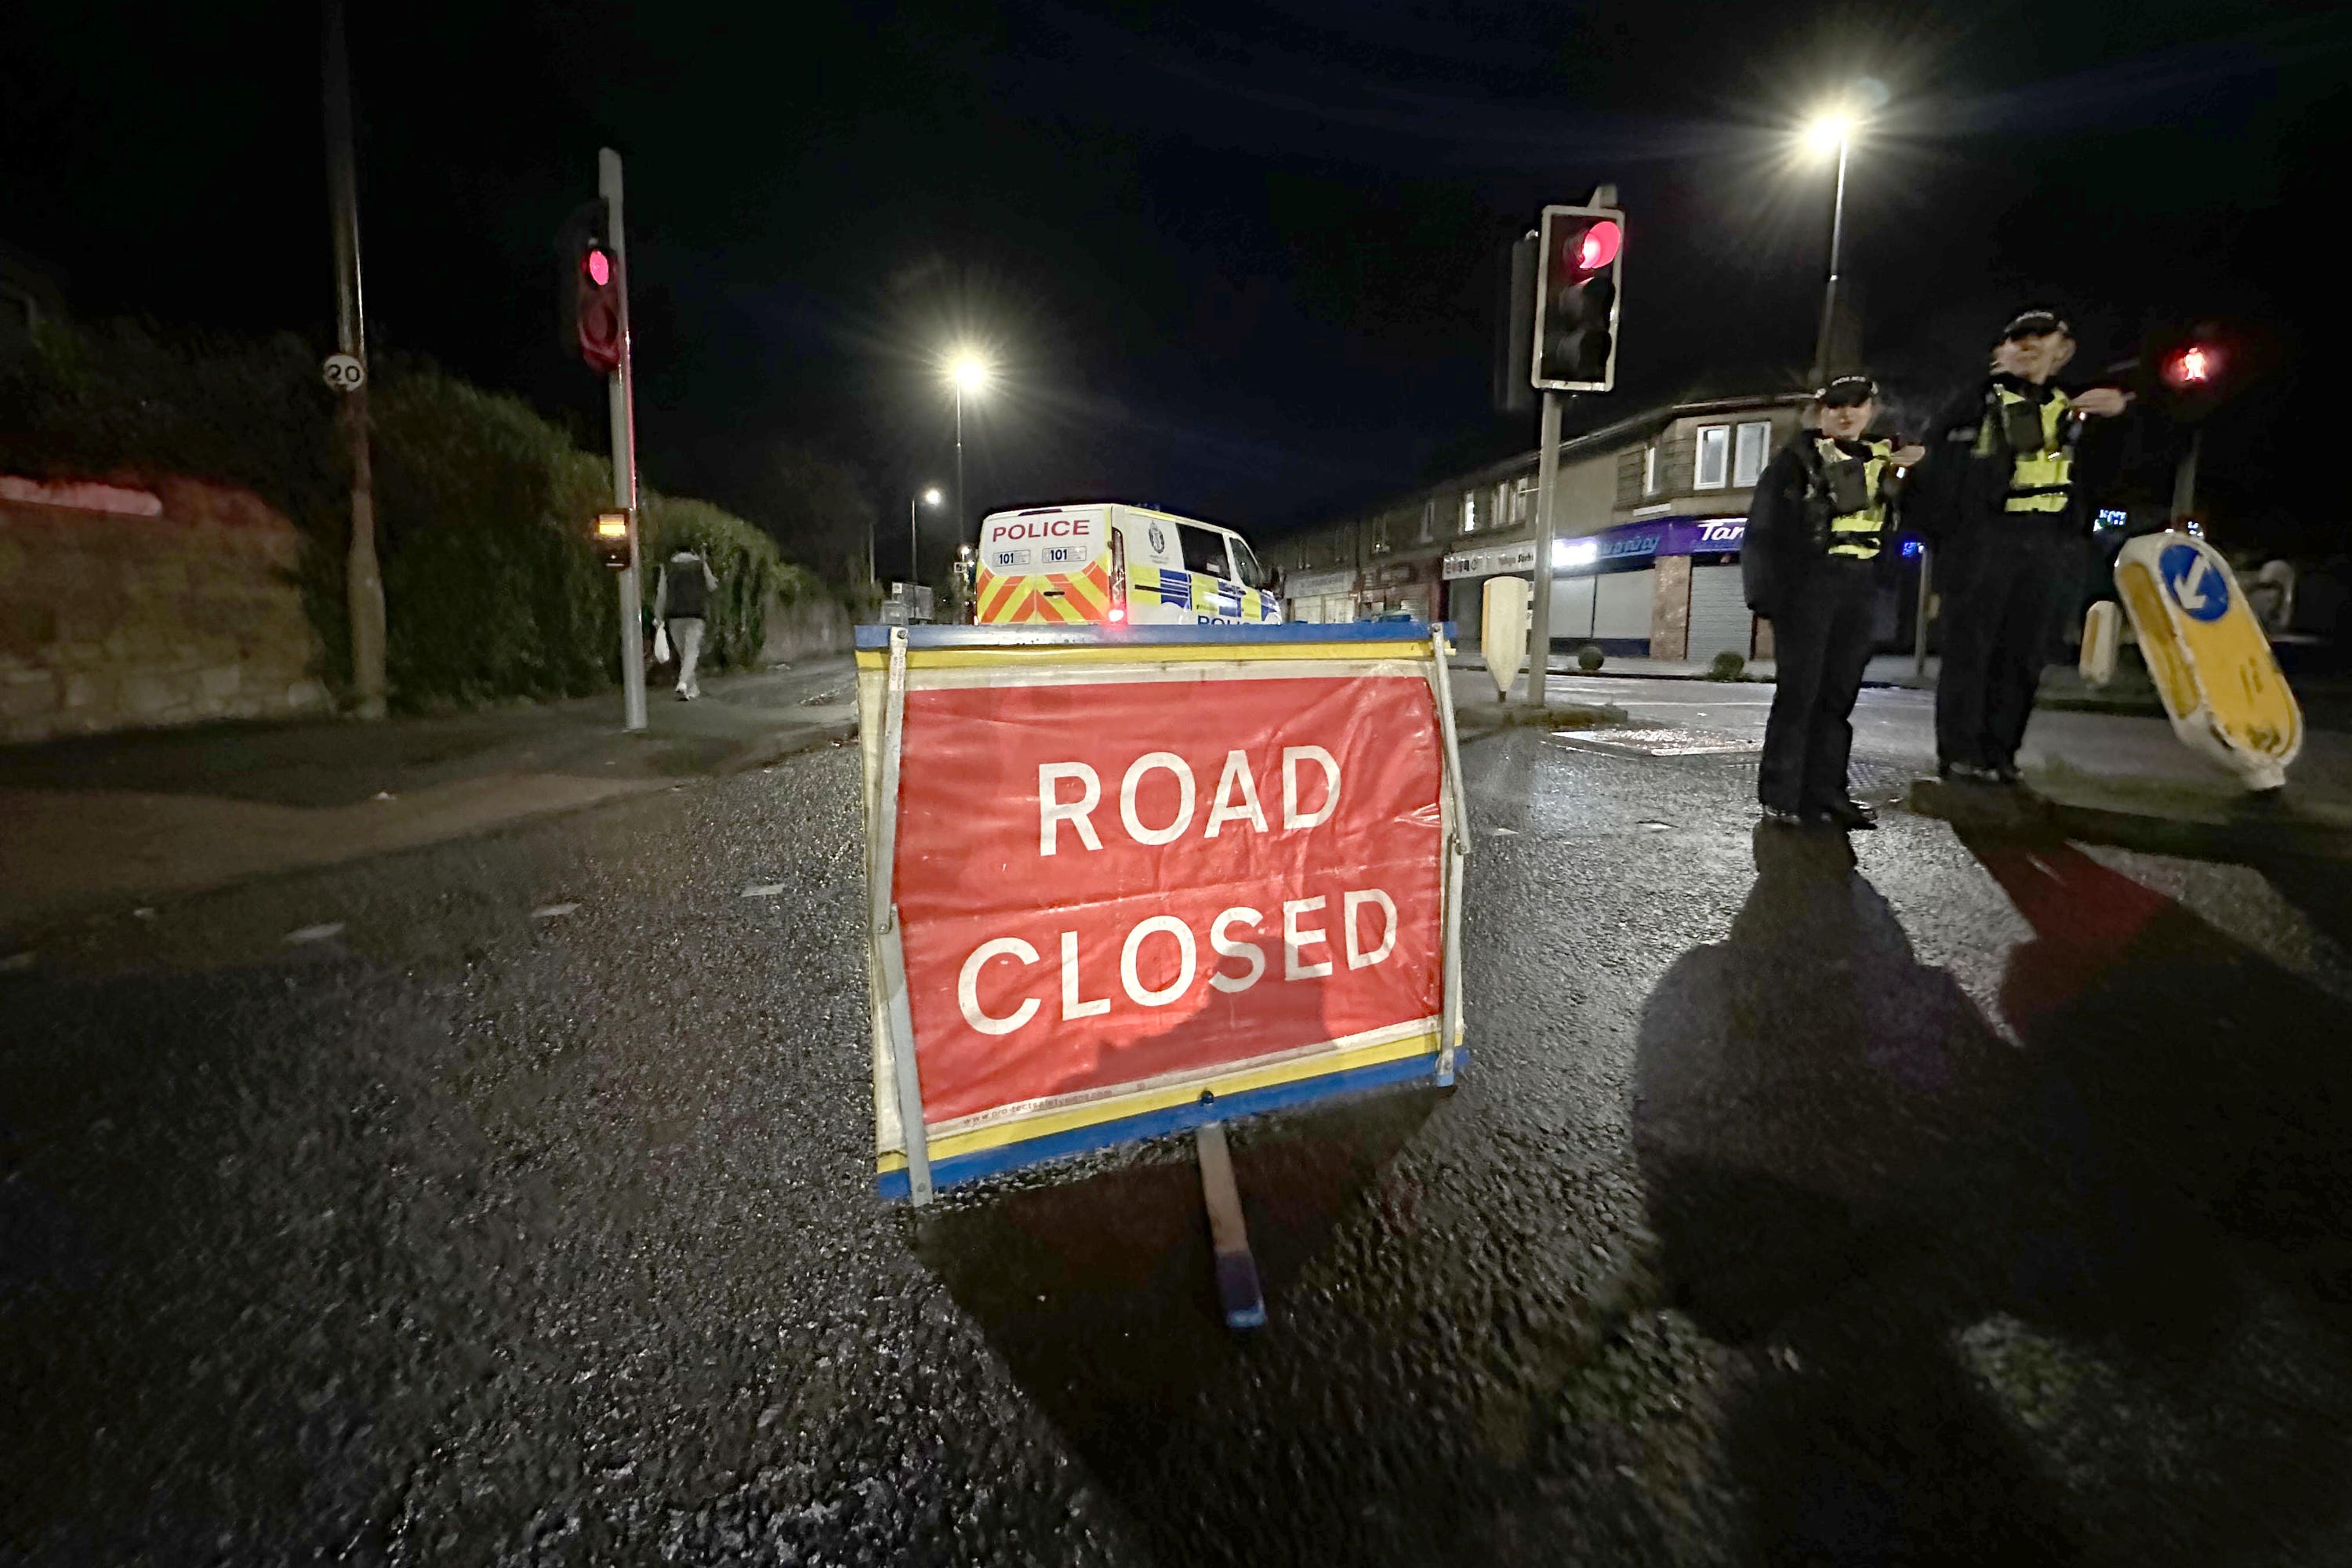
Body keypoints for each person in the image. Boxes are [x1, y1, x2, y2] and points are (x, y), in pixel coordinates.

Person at [1911, 310, 2132, 784]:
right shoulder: (1973, 403)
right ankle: (1961, 754)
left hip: (2049, 544)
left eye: (2041, 337)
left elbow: (2115, 476)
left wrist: (2117, 416)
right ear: (2000, 350)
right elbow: (1931, 476)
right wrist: (1955, 543)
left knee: (2025, 655)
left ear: (2063, 349)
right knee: (1971, 653)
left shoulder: (2075, 407)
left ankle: (2001, 754)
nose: (2029, 345)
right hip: (1987, 543)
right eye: (2018, 338)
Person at [1744, 374, 1924, 829]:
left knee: (1838, 697)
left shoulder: (1888, 461)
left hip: (1860, 585)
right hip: (1808, 587)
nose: (1846, 414)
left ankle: (1827, 794)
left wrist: (1918, 469)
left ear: (1871, 409)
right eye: (1835, 405)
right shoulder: (1794, 463)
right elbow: (1763, 532)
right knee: (1799, 694)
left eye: (1856, 405)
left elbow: (1913, 515)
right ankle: (1782, 796)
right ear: (1820, 412)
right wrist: (1765, 596)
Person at [652, 544, 718, 700]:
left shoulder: (667, 567)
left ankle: (691, 689)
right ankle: (683, 683)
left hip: (675, 615)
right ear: (692, 551)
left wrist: (658, 615)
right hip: (696, 614)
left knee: (684, 653)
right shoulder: (700, 564)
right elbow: (711, 586)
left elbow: (662, 593)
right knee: (691, 652)